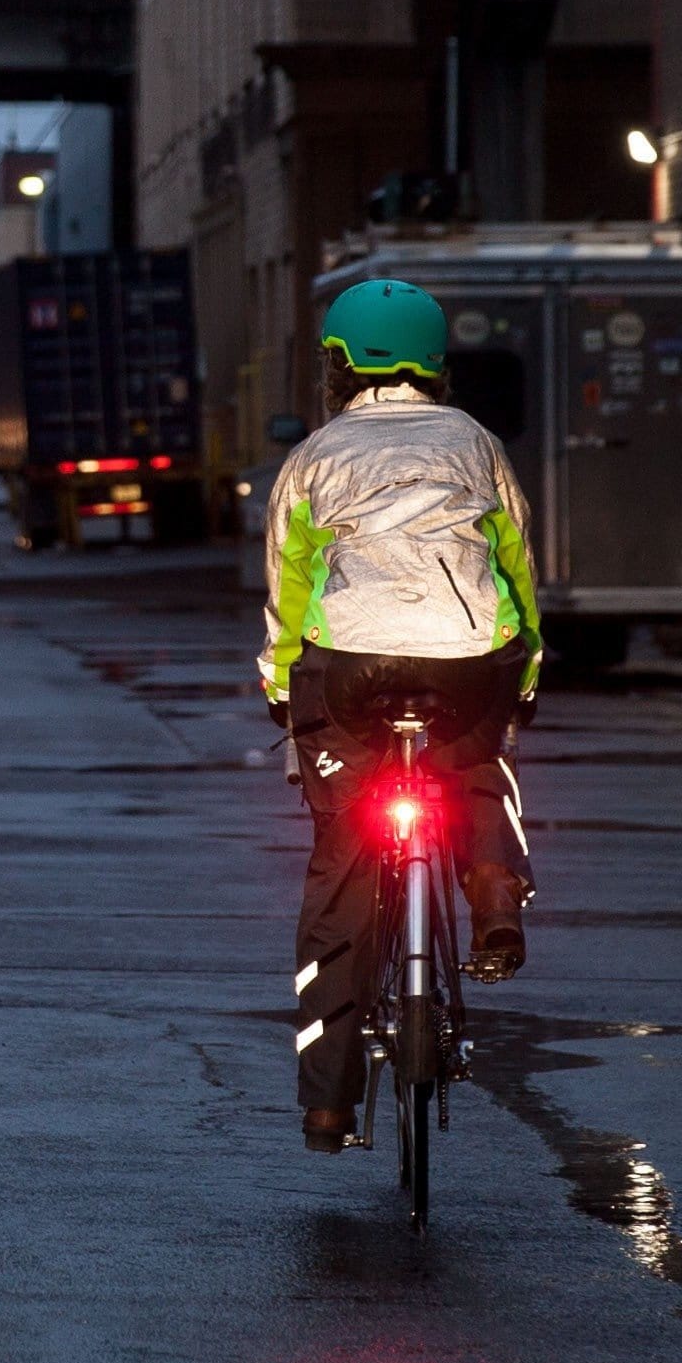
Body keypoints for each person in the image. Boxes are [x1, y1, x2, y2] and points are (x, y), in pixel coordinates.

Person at [259, 279, 540, 1154]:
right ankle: (492, 888)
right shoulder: (476, 443)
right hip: (464, 657)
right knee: (474, 764)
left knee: (340, 866)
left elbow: (288, 589)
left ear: (339, 363)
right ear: (433, 363)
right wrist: (521, 669)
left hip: (348, 666)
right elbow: (515, 569)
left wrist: (280, 684)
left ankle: (328, 1102)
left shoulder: (313, 456)